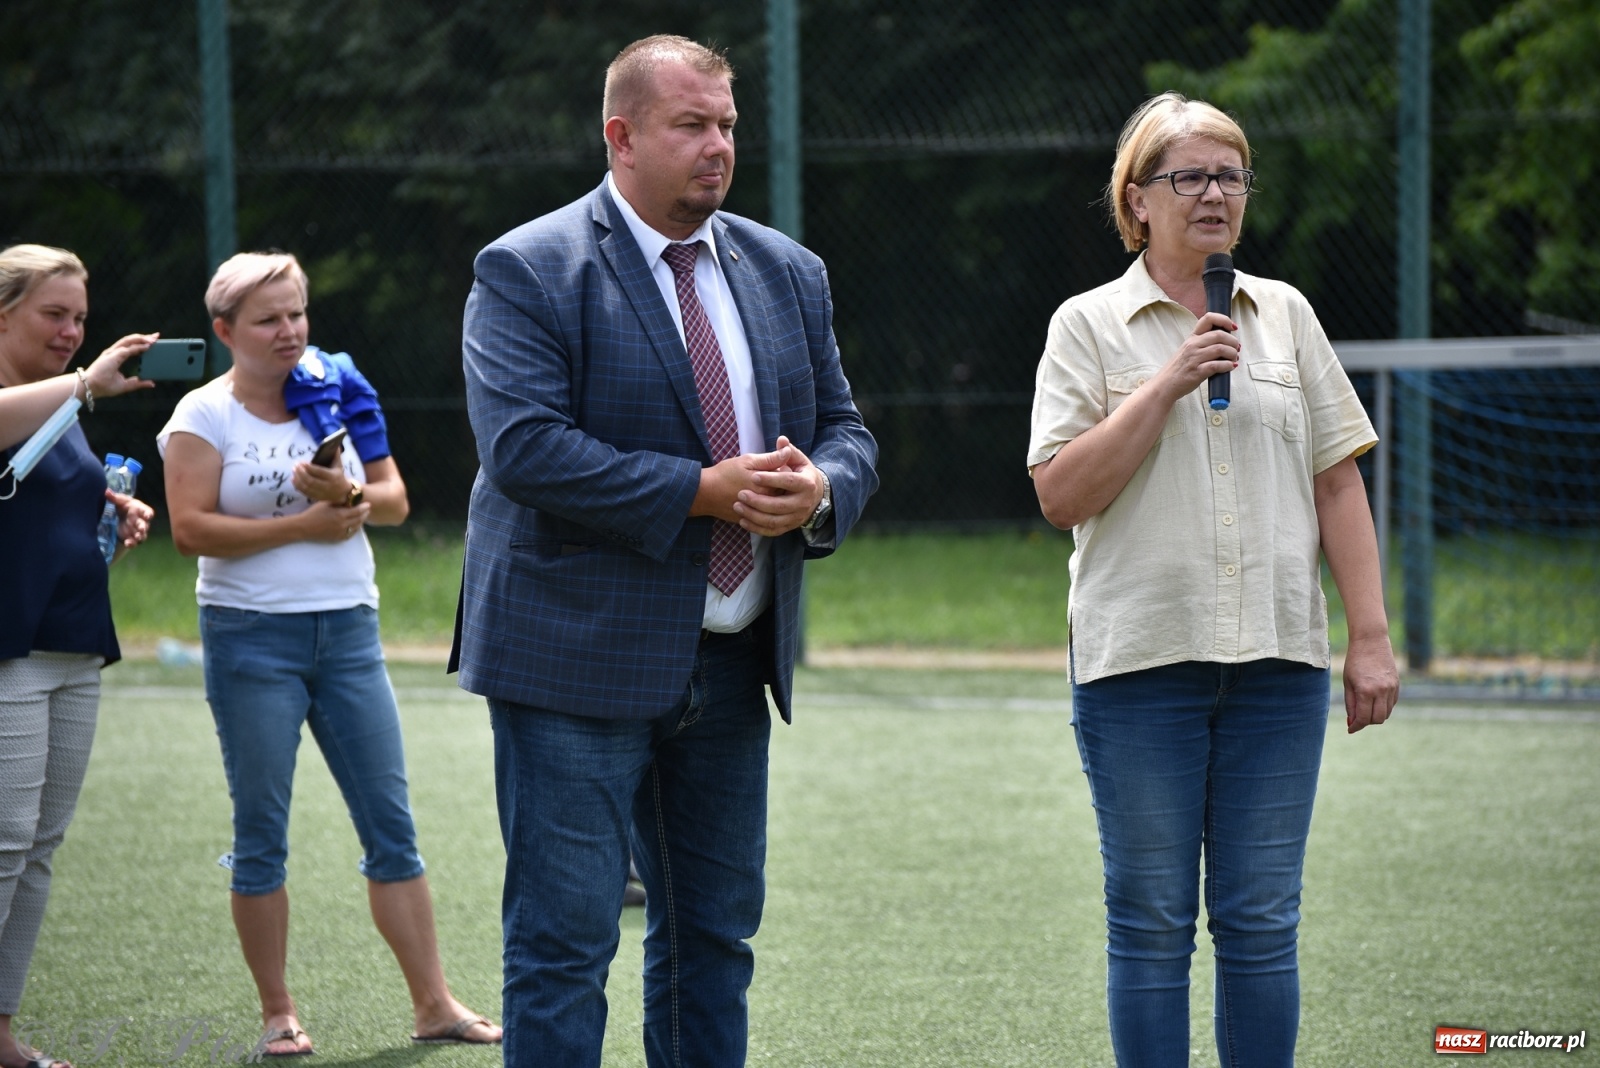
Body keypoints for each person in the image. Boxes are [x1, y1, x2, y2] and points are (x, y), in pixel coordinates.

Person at [451, 34, 878, 1068]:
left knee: (712, 938)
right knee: (563, 944)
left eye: (727, 124)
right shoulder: (527, 267)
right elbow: (524, 449)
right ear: (621, 135)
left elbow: (846, 431)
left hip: (731, 662)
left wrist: (819, 490)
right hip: (572, 663)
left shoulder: (787, 269)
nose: (718, 146)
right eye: (692, 124)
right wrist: (701, 493)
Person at [1027, 92, 1399, 1067]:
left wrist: (1369, 636)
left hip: (1278, 666)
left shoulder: (1284, 316)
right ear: (1136, 200)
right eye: (1186, 176)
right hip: (1139, 664)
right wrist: (1167, 381)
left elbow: (1335, 479)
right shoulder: (1088, 326)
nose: (1212, 194)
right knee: (1150, 919)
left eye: (1228, 175)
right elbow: (1061, 494)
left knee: (1261, 920)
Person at [158, 252, 500, 1057]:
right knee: (261, 833)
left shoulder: (336, 385)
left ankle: (435, 1005)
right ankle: (279, 1013)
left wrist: (343, 496)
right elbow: (190, 532)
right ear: (225, 332)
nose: (290, 331)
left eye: (298, 312)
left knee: (393, 826)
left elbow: (392, 500)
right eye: (269, 319)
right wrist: (302, 524)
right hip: (250, 639)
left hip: (347, 631)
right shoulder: (201, 417)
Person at [0, 244, 157, 1068]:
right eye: (52, 314)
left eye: (80, 320)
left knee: (38, 848)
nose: (70, 332)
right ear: (2, 314)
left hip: (70, 641)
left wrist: (109, 526)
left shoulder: (61, 413)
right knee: (2, 842)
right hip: (11, 650)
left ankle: (1, 1033)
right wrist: (88, 382)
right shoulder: (49, 398)